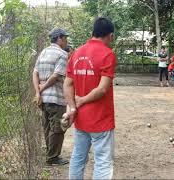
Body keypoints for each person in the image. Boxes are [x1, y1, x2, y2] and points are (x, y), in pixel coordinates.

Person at [64, 17, 116, 179]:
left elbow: (67, 84)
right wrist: (82, 100)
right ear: (110, 35)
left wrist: (73, 107)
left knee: (78, 157)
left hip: (81, 119)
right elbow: (101, 89)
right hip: (101, 120)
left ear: (93, 32)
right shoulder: (108, 54)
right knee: (102, 161)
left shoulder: (77, 53)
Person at [32, 28, 69, 166]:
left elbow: (35, 73)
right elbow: (56, 76)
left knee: (47, 126)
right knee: (57, 127)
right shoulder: (62, 54)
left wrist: (38, 91)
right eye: (65, 38)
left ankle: (50, 152)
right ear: (59, 38)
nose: (66, 41)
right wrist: (44, 87)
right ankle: (53, 157)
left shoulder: (44, 52)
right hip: (56, 97)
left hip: (43, 98)